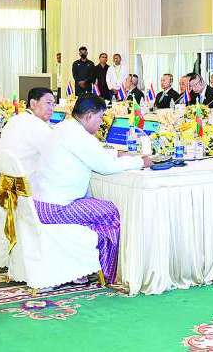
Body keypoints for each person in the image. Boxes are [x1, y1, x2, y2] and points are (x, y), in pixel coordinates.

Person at [32, 94, 151, 285]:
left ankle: (81, 264)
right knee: (110, 211)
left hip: (40, 203)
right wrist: (141, 161)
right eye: (100, 117)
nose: (101, 122)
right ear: (88, 116)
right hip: (56, 208)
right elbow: (106, 166)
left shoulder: (63, 127)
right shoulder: (78, 136)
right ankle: (105, 271)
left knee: (95, 206)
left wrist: (118, 154)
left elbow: (96, 154)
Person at [0, 88, 55, 175]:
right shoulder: (38, 125)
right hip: (27, 179)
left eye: (53, 104)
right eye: (48, 103)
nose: (52, 108)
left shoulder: (14, 119)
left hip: (4, 177)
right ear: (33, 103)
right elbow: (55, 154)